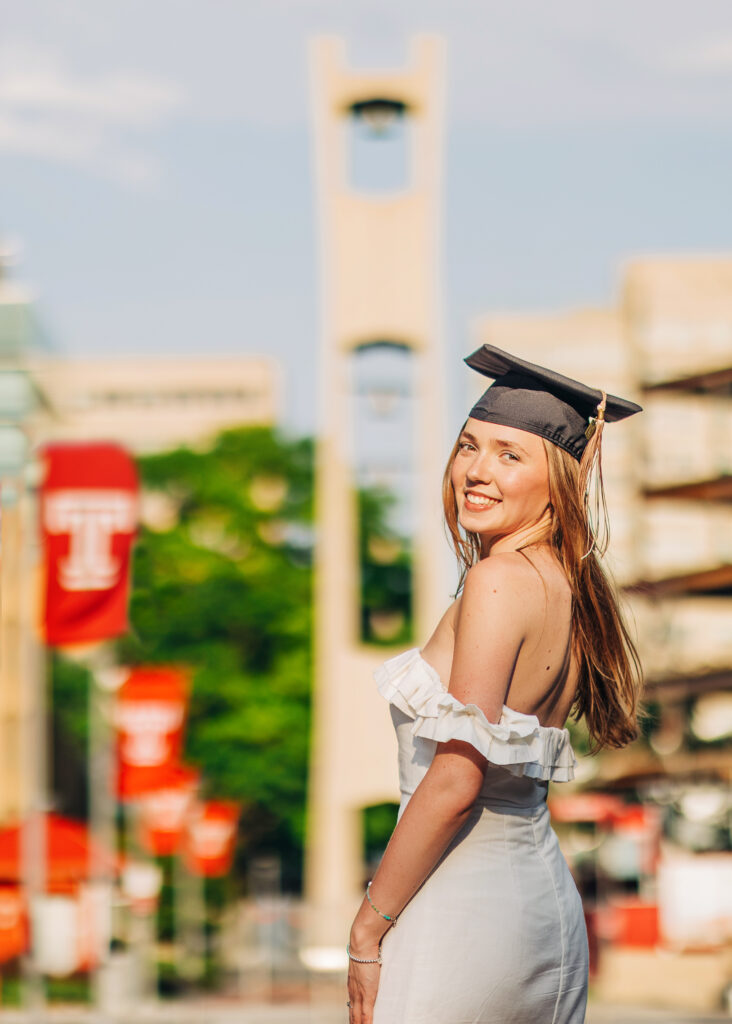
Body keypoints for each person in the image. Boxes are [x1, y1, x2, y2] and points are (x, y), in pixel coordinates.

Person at [345, 344, 644, 1024]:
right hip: (538, 909)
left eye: (511, 455)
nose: (477, 472)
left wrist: (369, 926)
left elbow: (455, 779)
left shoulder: (498, 580)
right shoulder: (564, 584)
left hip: (462, 906)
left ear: (558, 481)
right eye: (470, 447)